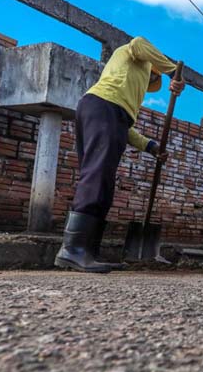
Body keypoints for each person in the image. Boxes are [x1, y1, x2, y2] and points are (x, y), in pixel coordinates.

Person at [54, 37, 185, 273]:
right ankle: (72, 250)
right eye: (153, 76)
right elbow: (138, 42)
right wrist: (172, 71)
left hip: (104, 112)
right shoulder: (132, 53)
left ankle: (88, 251)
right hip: (101, 107)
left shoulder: (124, 97)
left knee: (103, 182)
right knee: (96, 176)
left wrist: (150, 146)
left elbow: (123, 125)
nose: (151, 80)